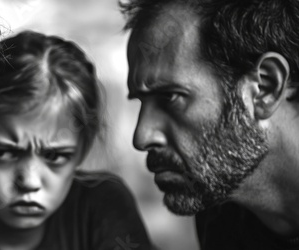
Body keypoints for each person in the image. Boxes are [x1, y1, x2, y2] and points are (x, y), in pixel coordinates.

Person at [0, 30, 152, 250]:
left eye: (55, 156)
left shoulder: (102, 206)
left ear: (82, 149)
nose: (29, 182)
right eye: (4, 153)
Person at [121, 0, 299, 249]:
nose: (141, 137)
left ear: (264, 89)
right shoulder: (221, 214)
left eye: (170, 97)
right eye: (141, 101)